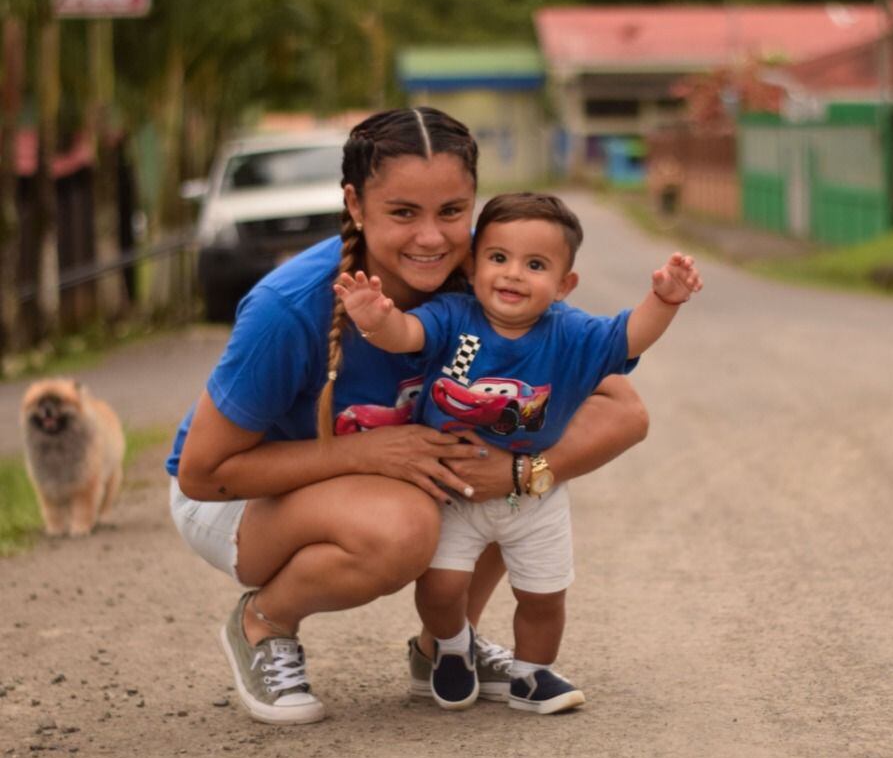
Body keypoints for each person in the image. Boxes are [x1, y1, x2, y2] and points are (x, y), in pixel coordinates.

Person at [166, 108, 649, 726]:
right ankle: (265, 621)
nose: (431, 238)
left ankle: (445, 647)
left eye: (451, 212)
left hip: (380, 474)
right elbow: (203, 474)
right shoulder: (289, 308)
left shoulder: (485, 279)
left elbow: (622, 410)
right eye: (402, 213)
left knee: (508, 449)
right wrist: (366, 453)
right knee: (404, 528)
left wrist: (522, 473)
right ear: (355, 203)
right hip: (240, 499)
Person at [334, 192, 702, 714]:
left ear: (563, 285)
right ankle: (453, 648)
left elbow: (629, 335)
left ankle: (532, 673)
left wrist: (664, 301)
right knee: (440, 588)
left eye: (535, 265)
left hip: (533, 500)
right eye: (498, 258)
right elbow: (406, 334)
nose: (511, 275)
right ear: (473, 262)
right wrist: (375, 320)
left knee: (544, 596)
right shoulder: (453, 316)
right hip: (454, 489)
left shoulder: (571, 333)